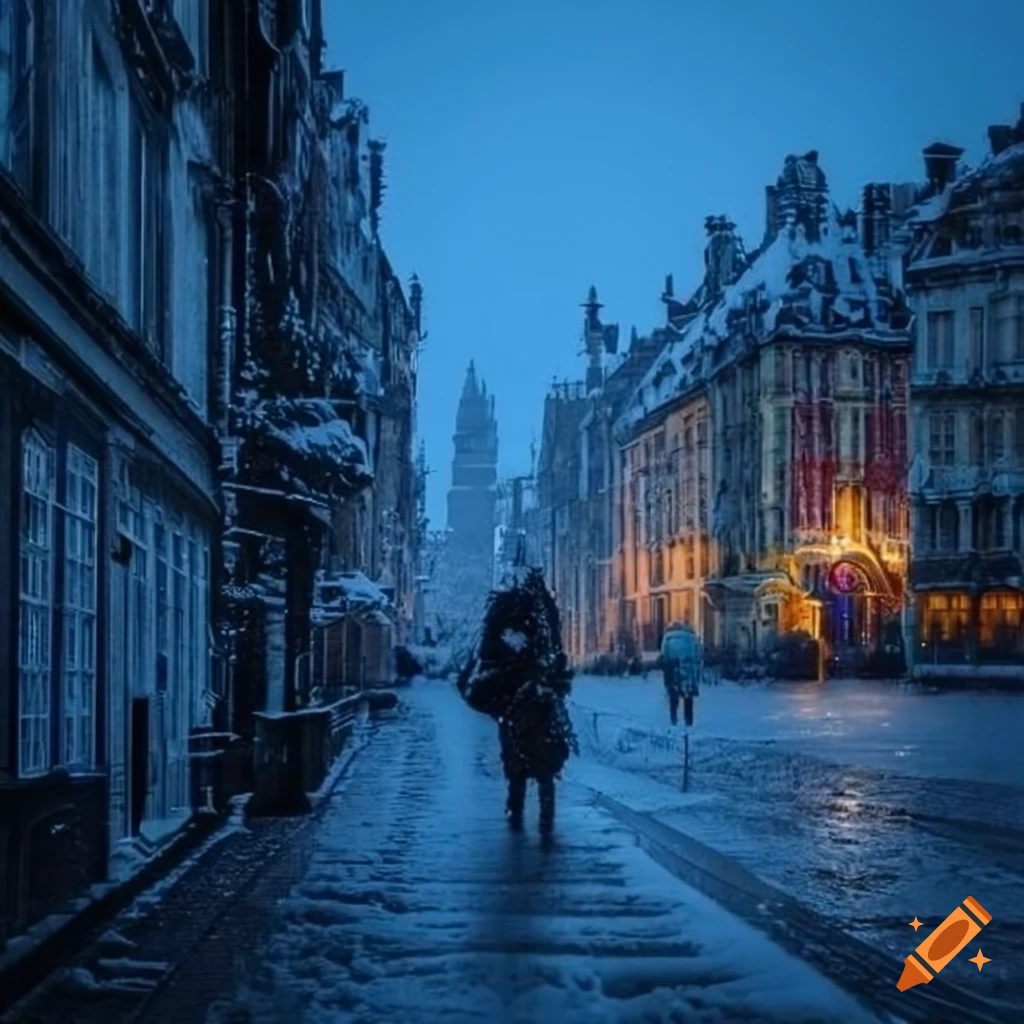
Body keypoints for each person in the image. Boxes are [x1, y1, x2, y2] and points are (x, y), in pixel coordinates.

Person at [457, 568, 576, 833]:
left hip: (519, 711)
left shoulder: (506, 647)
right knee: (535, 771)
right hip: (530, 711)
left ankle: (521, 818)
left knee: (522, 771)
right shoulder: (534, 642)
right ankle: (538, 821)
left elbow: (479, 686)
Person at [660, 621, 702, 726]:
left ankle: (673, 719)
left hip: (672, 669)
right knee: (688, 698)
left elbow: (664, 654)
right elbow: (699, 654)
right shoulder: (692, 637)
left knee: (673, 697)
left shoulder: (668, 638)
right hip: (688, 670)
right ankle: (689, 721)